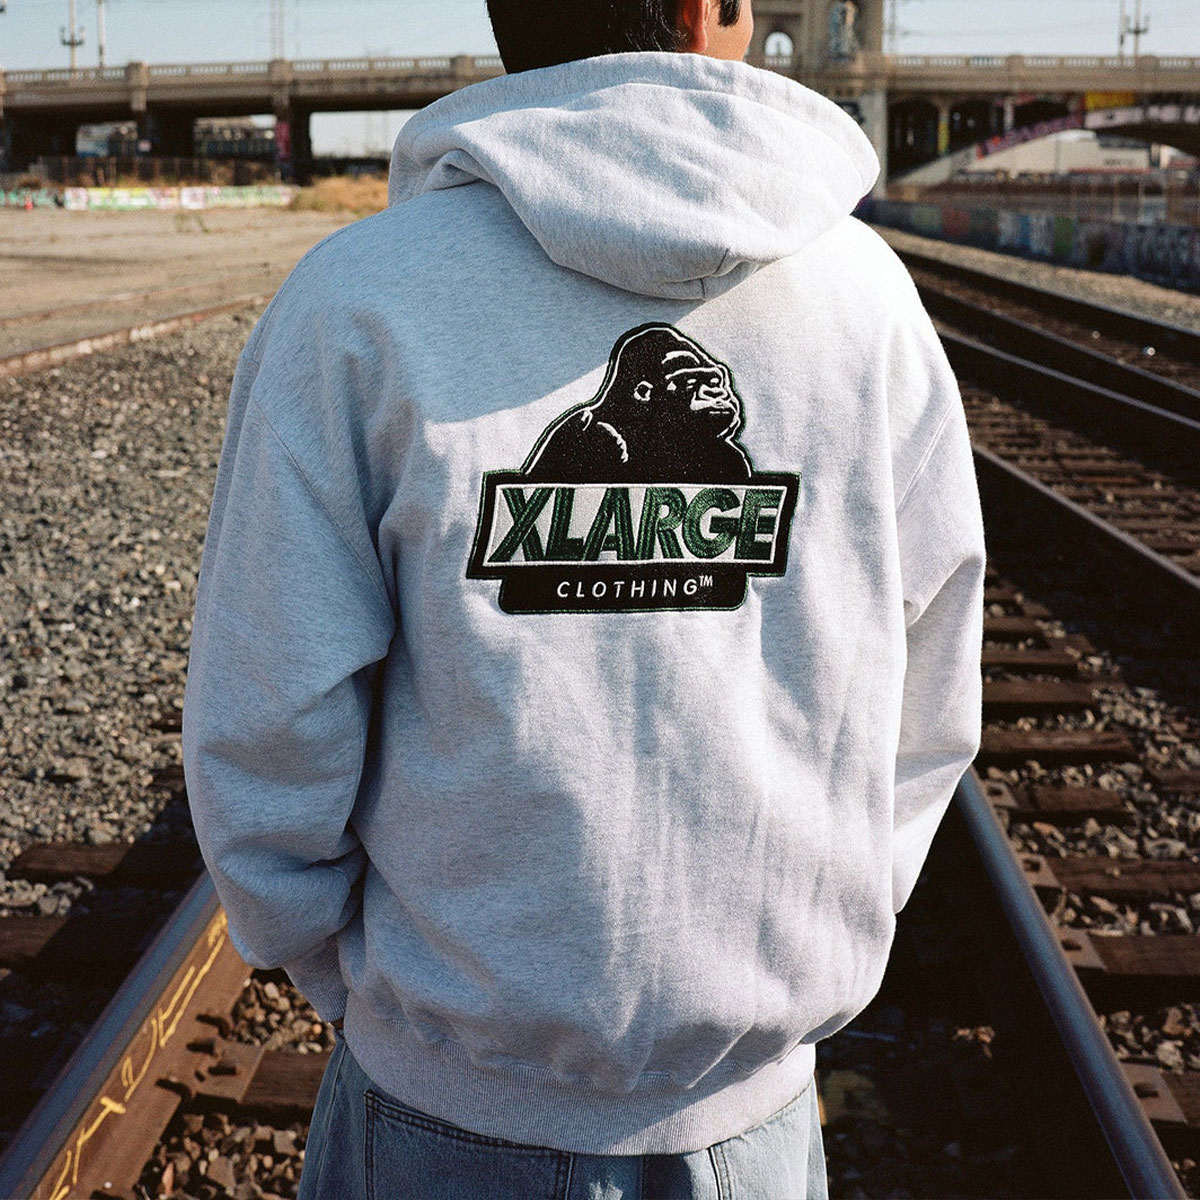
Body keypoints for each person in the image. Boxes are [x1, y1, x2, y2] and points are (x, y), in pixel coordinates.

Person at [182, 0, 985, 1195]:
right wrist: (813, 935)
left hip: (432, 1114)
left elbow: (267, 716)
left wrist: (376, 990)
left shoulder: (355, 305)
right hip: (753, 1131)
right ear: (712, 10)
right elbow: (930, 704)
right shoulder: (869, 304)